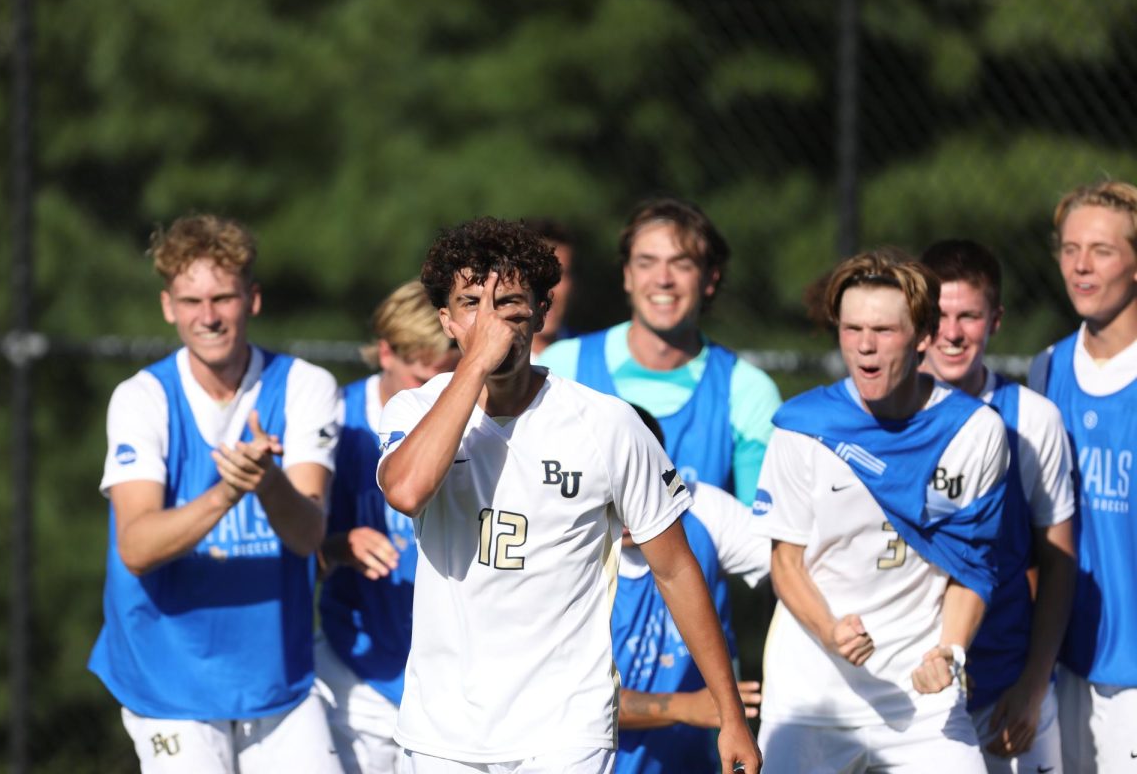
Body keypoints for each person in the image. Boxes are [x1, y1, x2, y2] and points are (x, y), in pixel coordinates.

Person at [376, 217, 760, 774]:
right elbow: (408, 490)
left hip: (566, 729)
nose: (491, 322)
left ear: (539, 310)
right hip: (441, 729)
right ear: (447, 321)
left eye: (507, 302)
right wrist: (477, 363)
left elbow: (676, 569)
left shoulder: (606, 423)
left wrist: (731, 716)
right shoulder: (413, 412)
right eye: (470, 304)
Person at [88, 215, 343, 773]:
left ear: (251, 300)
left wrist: (268, 482)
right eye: (191, 300)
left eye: (223, 298)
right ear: (167, 306)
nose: (207, 317)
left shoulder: (305, 387)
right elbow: (136, 547)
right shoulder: (141, 399)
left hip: (277, 675)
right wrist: (227, 493)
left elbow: (306, 536)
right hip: (167, 675)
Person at [754, 249, 1009, 774]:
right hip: (811, 698)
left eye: (883, 331)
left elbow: (972, 568)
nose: (865, 347)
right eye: (851, 329)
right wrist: (828, 630)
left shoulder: (974, 432)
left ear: (923, 336)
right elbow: (786, 562)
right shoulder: (802, 427)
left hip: (922, 699)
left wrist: (951, 653)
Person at [919, 239, 1076, 774]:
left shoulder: (1034, 420)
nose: (953, 332)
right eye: (939, 315)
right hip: (909, 695)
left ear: (997, 319)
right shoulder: (879, 418)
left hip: (1007, 689)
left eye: (969, 315)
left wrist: (1033, 685)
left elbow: (1057, 562)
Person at [540, 197, 781, 504]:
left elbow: (758, 541)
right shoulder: (562, 367)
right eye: (646, 262)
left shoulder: (748, 392)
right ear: (627, 274)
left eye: (682, 264)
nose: (663, 279)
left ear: (710, 278)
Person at [315, 279, 459, 773]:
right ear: (384, 352)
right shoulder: (335, 422)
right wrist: (337, 545)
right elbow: (290, 548)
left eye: (449, 376)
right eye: (421, 377)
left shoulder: (479, 421)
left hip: (456, 674)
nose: (435, 392)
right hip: (358, 668)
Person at [1028, 180, 1137, 774]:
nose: (1081, 266)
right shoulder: (1046, 368)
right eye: (1070, 249)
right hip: (1060, 656)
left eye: (1102, 250)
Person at [614, 405, 770, 774]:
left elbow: (796, 569)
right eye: (612, 486)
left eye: (639, 483)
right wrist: (687, 707)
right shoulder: (565, 548)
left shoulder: (704, 511)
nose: (626, 505)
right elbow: (568, 698)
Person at [523, 217, 578, 359]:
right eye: (537, 275)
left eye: (558, 276)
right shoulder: (483, 366)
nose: (548, 292)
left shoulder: (590, 358)